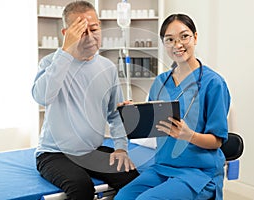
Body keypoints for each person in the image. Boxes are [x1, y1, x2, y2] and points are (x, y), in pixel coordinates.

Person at [115, 13, 231, 200]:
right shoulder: (161, 82)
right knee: (123, 197)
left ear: (195, 37)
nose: (178, 45)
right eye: (170, 39)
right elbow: (153, 125)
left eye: (184, 36)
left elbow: (217, 141)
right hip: (163, 166)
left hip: (198, 172)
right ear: (164, 44)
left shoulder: (213, 83)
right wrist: (132, 113)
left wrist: (188, 135)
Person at [32, 1, 139, 200]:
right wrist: (65, 52)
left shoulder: (107, 68)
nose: (90, 37)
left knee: (132, 179)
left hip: (91, 151)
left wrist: (121, 148)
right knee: (81, 188)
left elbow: (115, 115)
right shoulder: (52, 62)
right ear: (67, 34)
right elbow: (42, 97)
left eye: (95, 28)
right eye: (81, 31)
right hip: (55, 154)